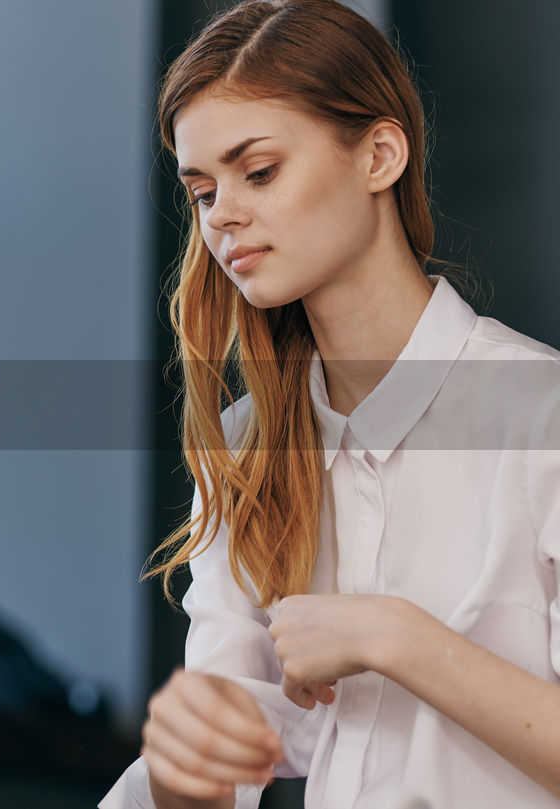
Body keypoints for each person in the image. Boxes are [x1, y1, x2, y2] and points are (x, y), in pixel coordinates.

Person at [101, 1, 560, 807]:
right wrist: (186, 761)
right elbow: (217, 769)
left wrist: (394, 636)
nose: (224, 217)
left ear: (380, 154)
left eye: (260, 171)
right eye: (203, 191)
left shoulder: (540, 413)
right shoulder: (249, 443)